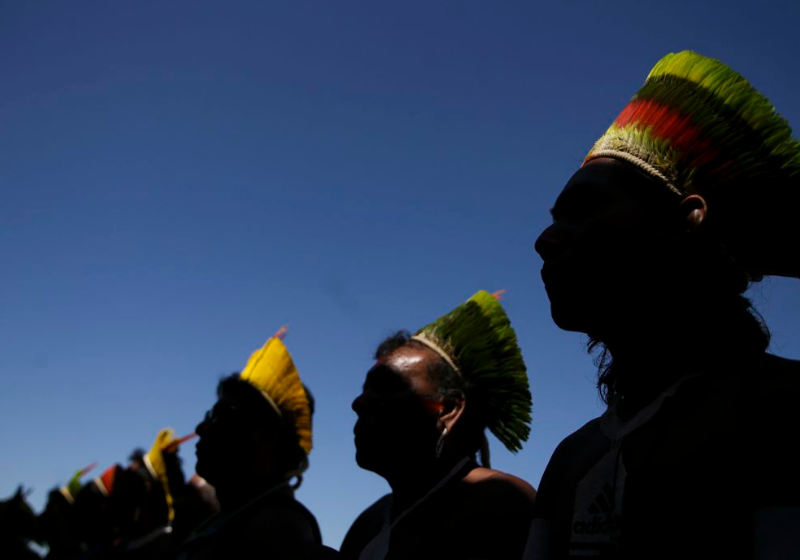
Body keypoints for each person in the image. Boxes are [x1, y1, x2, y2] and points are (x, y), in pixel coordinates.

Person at [529, 51, 800, 559]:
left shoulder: (786, 411)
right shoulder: (571, 459)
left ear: (684, 221)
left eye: (584, 210)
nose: (545, 240)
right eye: (555, 219)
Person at [341, 290, 536, 559]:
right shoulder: (368, 524)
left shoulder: (499, 502)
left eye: (387, 387)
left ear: (449, 409)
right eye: (365, 390)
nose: (359, 403)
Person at [177, 327, 337, 560]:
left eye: (221, 415)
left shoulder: (277, 534)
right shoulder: (226, 523)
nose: (201, 428)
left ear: (266, 436)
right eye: (209, 416)